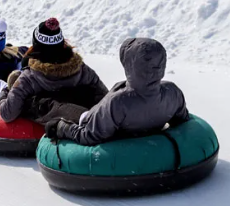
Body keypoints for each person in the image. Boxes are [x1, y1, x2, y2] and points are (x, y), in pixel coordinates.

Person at [46, 38, 189, 145]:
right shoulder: (172, 92)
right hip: (143, 134)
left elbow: (89, 136)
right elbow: (182, 122)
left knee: (62, 110)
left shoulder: (118, 103)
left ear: (130, 65)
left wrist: (62, 127)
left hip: (105, 135)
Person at [0, 18, 108, 125]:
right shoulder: (83, 70)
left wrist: (6, 91)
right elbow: (106, 98)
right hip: (90, 123)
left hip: (52, 129)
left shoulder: (29, 78)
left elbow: (8, 114)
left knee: (32, 103)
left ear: (36, 47)